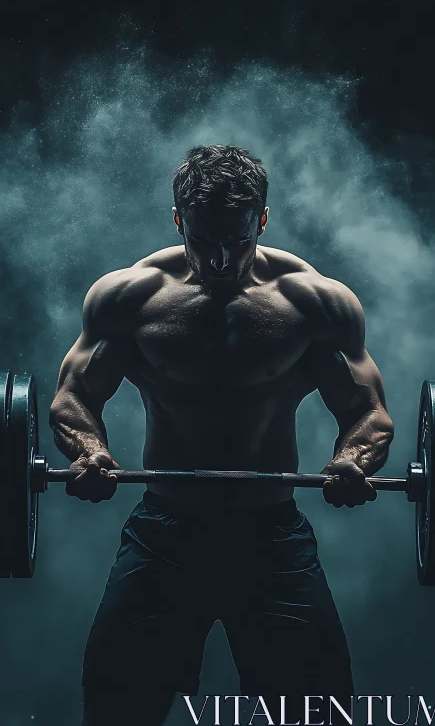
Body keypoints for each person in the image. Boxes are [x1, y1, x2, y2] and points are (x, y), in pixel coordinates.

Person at [49, 145, 394, 726]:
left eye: (237, 240)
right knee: (116, 709)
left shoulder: (313, 302)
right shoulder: (131, 298)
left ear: (261, 218)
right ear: (179, 219)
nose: (220, 260)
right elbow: (73, 398)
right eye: (204, 241)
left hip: (272, 541)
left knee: (319, 714)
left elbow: (368, 413)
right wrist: (91, 452)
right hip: (166, 535)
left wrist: (353, 459)